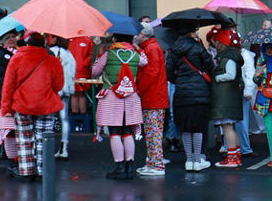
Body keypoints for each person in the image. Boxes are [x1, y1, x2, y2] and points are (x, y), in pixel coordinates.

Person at [1, 31, 65, 181]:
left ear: (27, 43)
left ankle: (27, 171)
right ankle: (43, 171)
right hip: (46, 105)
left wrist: (6, 108)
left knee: (24, 140)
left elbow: (8, 86)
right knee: (43, 140)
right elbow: (58, 86)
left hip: (22, 105)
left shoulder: (17, 58)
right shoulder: (52, 61)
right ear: (43, 44)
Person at [91, 26, 148, 180]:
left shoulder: (108, 54)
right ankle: (130, 166)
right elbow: (145, 62)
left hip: (112, 97)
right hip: (130, 98)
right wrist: (137, 48)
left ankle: (119, 166)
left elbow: (94, 72)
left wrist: (99, 55)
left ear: (115, 39)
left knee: (115, 132)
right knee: (128, 131)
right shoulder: (135, 55)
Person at [166, 28, 215, 171]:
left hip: (182, 93)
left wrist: (180, 81)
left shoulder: (173, 50)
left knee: (185, 128)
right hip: (200, 92)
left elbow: (168, 72)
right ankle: (198, 160)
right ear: (192, 32)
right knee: (198, 127)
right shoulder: (198, 46)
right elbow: (210, 66)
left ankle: (189, 160)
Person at [134, 27, 169, 177]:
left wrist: (139, 90)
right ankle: (152, 163)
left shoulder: (151, 48)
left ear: (144, 35)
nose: (137, 36)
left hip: (153, 97)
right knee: (152, 132)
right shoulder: (152, 47)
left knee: (153, 133)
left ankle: (157, 165)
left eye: (140, 34)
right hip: (154, 97)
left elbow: (150, 73)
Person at [209, 29, 245, 168]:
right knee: (231, 127)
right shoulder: (232, 55)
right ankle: (236, 155)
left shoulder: (227, 57)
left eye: (216, 41)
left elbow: (231, 75)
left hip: (225, 99)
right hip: (230, 98)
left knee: (227, 127)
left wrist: (217, 77)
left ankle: (231, 158)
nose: (214, 43)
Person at [0, 30, 19, 165]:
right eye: (8, 37)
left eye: (14, 37)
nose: (12, 39)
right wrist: (3, 98)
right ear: (2, 42)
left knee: (14, 131)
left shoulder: (16, 53)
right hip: (5, 99)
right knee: (9, 132)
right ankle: (11, 159)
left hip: (16, 99)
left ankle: (14, 158)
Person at [46, 36, 75, 160]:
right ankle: (64, 148)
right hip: (67, 89)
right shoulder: (70, 54)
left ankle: (47, 147)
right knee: (64, 119)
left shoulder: (52, 53)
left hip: (54, 89)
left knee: (50, 118)